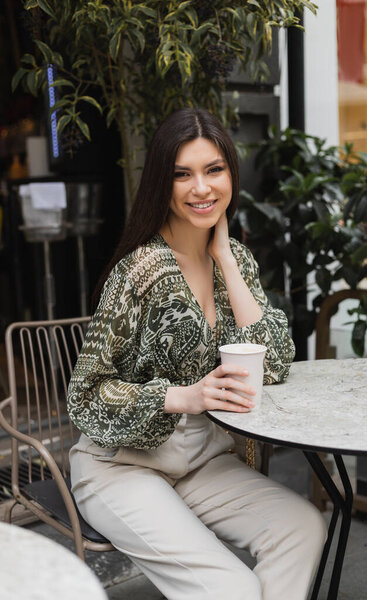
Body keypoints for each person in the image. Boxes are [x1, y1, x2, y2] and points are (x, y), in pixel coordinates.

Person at [67, 108, 326, 600]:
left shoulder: (238, 262)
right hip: (122, 466)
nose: (201, 188)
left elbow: (272, 363)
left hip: (203, 464)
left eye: (213, 170)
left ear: (231, 173)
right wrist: (182, 397)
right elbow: (86, 397)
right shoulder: (138, 272)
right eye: (182, 174)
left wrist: (225, 257)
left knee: (303, 528)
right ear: (162, 183)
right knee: (231, 588)